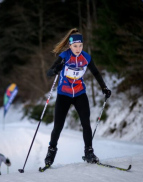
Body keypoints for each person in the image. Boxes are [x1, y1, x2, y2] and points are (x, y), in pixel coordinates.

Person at [44, 28, 111, 166]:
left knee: (86, 123)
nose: (78, 48)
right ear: (70, 45)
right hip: (64, 94)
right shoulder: (64, 56)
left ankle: (89, 152)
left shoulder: (86, 57)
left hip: (80, 94)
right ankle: (51, 153)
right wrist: (56, 69)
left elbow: (96, 73)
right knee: (58, 126)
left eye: (80, 45)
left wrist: (104, 88)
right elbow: (49, 73)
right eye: (75, 46)